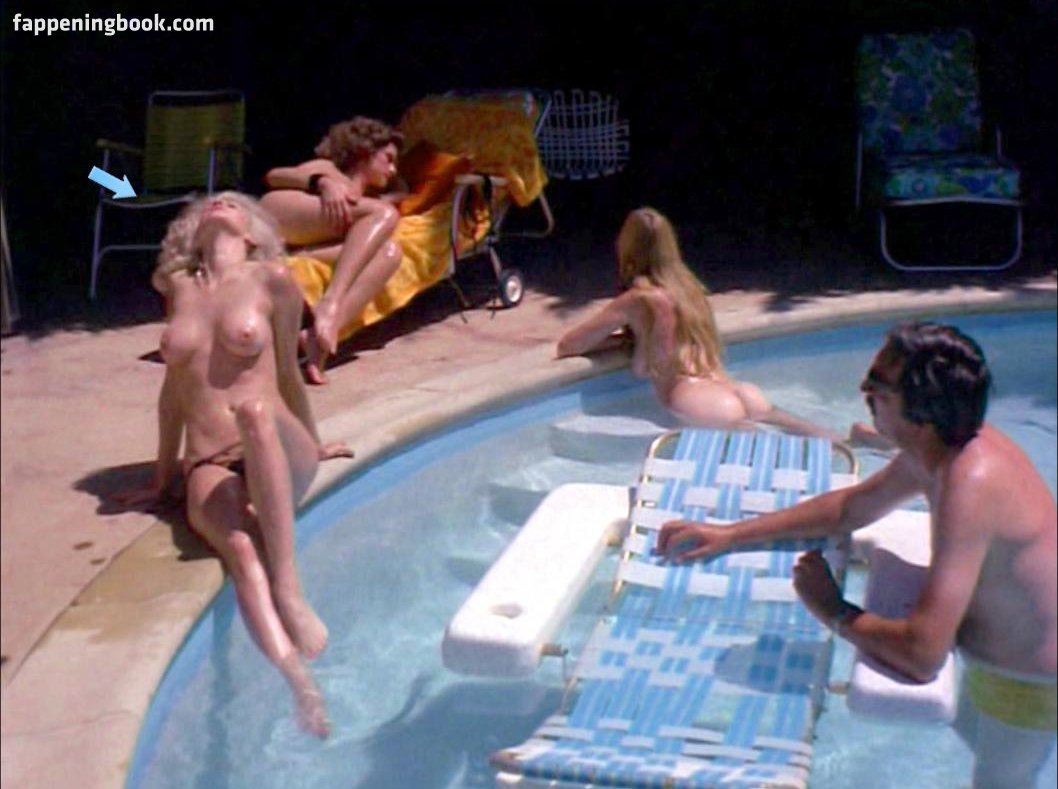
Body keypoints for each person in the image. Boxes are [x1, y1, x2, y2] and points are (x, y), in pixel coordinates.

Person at [656, 321, 1057, 788]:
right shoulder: (943, 446)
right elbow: (850, 508)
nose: (864, 390)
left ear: (921, 411)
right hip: (1005, 659)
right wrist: (730, 534)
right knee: (983, 749)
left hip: (1027, 681)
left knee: (1000, 783)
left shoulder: (970, 483)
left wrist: (832, 609)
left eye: (878, 386)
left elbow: (922, 653)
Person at [112, 192, 353, 738]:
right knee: (241, 549)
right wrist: (163, 478)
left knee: (256, 409)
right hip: (208, 458)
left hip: (276, 438)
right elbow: (173, 391)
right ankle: (299, 684)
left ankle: (289, 589)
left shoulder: (274, 279)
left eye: (235, 204)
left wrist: (314, 442)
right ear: (191, 230)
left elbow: (288, 374)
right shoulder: (179, 288)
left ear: (252, 233)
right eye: (211, 203)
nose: (221, 201)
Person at [556, 207, 839, 439]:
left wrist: (622, 342)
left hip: (696, 398)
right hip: (738, 390)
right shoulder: (691, 289)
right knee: (807, 438)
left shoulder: (639, 299)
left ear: (627, 246)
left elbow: (569, 346)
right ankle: (850, 439)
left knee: (762, 452)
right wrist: (633, 339)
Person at [261, 116, 405, 384]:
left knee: (391, 252)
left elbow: (403, 192)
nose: (393, 169)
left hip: (302, 242)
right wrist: (323, 183)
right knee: (385, 214)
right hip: (280, 212)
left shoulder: (368, 202)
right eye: (388, 159)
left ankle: (317, 337)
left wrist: (394, 195)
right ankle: (331, 303)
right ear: (365, 152)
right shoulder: (329, 169)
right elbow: (274, 176)